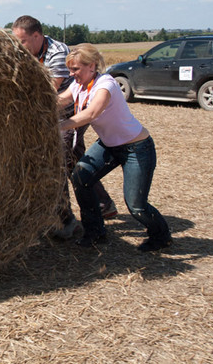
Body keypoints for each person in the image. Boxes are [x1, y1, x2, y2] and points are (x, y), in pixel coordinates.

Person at [57, 43, 172, 252]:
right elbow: (60, 100)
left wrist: (59, 126)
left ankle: (161, 235)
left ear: (91, 65)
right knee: (81, 177)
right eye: (70, 69)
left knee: (136, 206)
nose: (71, 74)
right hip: (109, 145)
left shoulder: (105, 85)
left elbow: (92, 113)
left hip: (136, 148)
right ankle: (94, 232)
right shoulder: (79, 85)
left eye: (75, 69)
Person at [11, 16, 117, 240]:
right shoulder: (27, 53)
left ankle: (65, 221)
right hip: (50, 110)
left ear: (36, 36)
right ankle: (103, 203)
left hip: (70, 111)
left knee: (58, 159)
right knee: (75, 160)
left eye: (22, 42)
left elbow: (50, 93)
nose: (18, 47)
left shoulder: (57, 54)